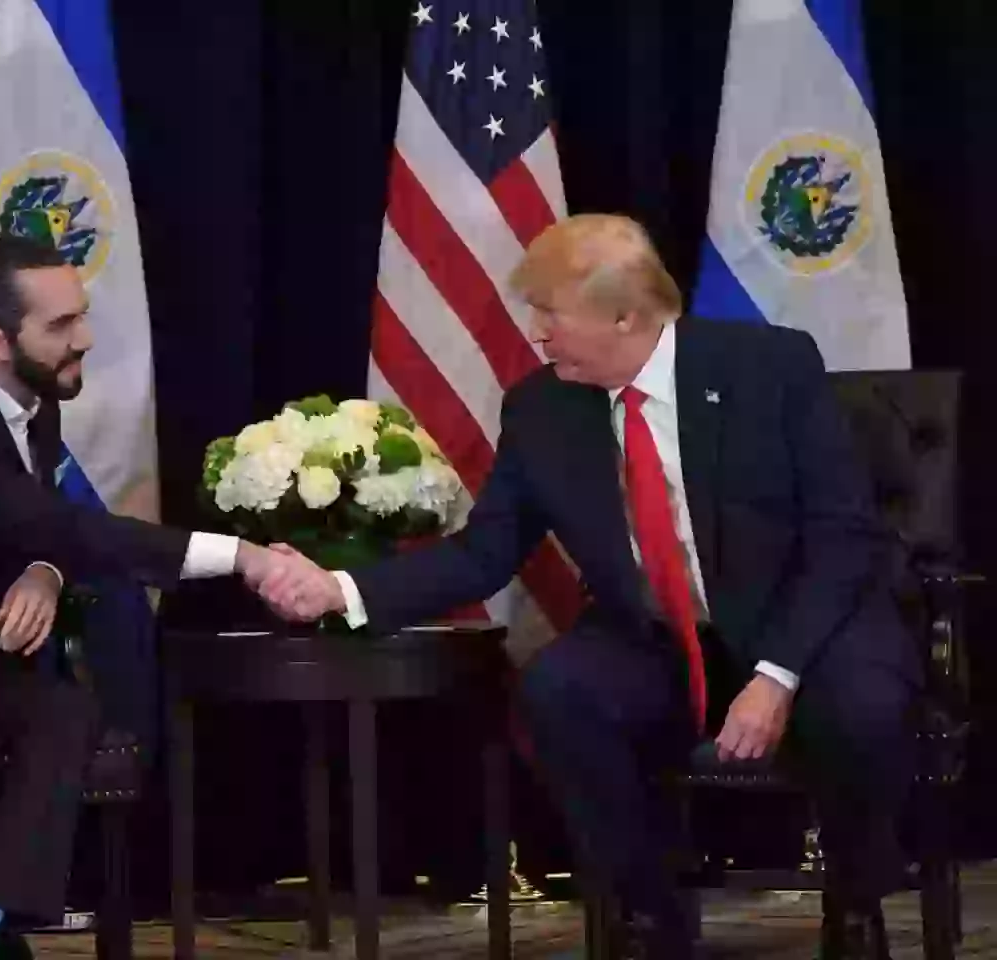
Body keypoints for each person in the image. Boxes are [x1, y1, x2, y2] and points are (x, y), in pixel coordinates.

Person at [254, 214, 917, 959]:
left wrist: (776, 675)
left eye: (550, 315)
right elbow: (483, 553)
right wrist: (340, 589)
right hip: (658, 634)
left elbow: (842, 534)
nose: (537, 333)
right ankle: (645, 915)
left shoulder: (768, 367)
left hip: (802, 621)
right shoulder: (542, 408)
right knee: (561, 690)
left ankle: (858, 896)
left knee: (865, 706)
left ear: (625, 315)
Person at [0, 236, 297, 960]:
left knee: (66, 709)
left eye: (81, 317)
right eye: (61, 327)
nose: (86, 340)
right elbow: (60, 523)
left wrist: (44, 570)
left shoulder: (32, 397)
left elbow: (32, 525)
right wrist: (243, 558)